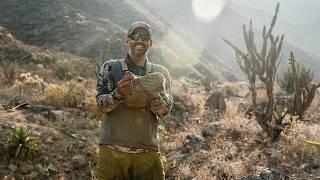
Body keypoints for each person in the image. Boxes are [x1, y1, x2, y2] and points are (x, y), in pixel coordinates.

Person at [95, 21, 173, 180]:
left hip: (147, 155)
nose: (139, 40)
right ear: (127, 40)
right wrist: (117, 94)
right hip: (112, 153)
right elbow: (100, 105)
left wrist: (155, 98)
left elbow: (165, 111)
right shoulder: (110, 67)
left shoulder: (161, 73)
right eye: (134, 36)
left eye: (144, 37)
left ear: (150, 43)